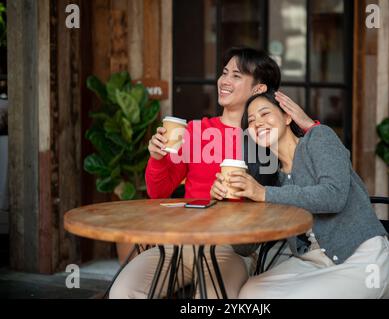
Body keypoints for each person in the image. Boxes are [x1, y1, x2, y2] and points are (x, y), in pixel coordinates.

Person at [109, 47, 309, 299]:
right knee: (123, 291)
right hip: (180, 242)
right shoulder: (194, 131)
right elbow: (158, 192)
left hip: (231, 248)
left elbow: (306, 173)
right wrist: (158, 159)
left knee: (214, 298)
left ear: (258, 89)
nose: (224, 81)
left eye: (236, 76)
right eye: (224, 73)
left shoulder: (267, 139)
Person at [210, 91, 389, 299]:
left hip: (361, 258)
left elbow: (333, 196)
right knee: (250, 294)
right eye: (251, 121)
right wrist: (230, 204)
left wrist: (263, 193)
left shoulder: (319, 138)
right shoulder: (268, 177)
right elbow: (244, 248)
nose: (258, 123)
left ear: (287, 117)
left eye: (265, 114)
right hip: (311, 262)